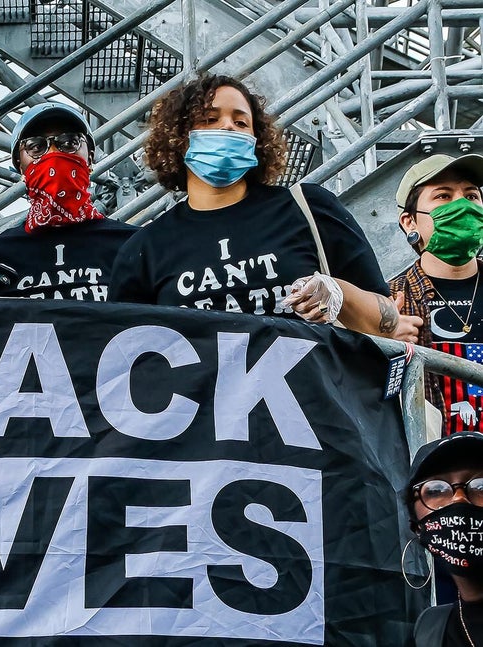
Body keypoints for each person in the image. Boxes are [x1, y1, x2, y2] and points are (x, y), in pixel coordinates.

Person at [109, 74, 409, 338]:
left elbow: (387, 321)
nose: (227, 127)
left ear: (257, 140)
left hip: (308, 400)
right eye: (210, 119)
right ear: (178, 138)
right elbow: (127, 354)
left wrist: (338, 293)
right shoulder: (145, 250)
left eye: (241, 121)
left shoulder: (308, 209)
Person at [0, 102, 137, 300]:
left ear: (90, 159)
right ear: (20, 168)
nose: (53, 154)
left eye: (69, 143)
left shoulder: (134, 247)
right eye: (36, 147)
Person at [390, 154, 483, 434]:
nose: (462, 205)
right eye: (443, 196)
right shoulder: (392, 300)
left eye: (471, 195)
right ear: (410, 222)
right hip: (435, 469)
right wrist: (385, 345)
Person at [405, 431, 483, 646]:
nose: (459, 499)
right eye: (436, 490)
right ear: (417, 527)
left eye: (481, 486)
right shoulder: (428, 632)